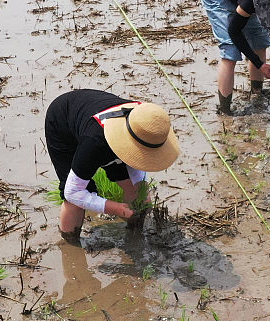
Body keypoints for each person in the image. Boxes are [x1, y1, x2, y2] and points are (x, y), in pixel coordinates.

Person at [45, 89, 179, 244]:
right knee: (78, 196)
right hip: (63, 124)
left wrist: (141, 186)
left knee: (138, 194)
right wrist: (113, 208)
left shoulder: (148, 123)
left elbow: (139, 159)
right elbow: (73, 192)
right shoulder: (95, 143)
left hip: (107, 128)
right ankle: (70, 244)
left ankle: (135, 234)